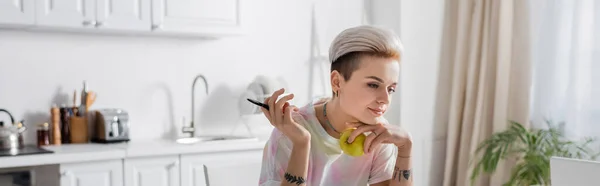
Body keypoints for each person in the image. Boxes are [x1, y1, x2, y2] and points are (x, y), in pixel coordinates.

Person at [258, 25, 413, 186]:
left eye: (391, 89)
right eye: (373, 85)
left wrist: (405, 148)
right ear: (337, 82)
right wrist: (302, 144)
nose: (385, 99)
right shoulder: (290, 132)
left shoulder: (378, 135)